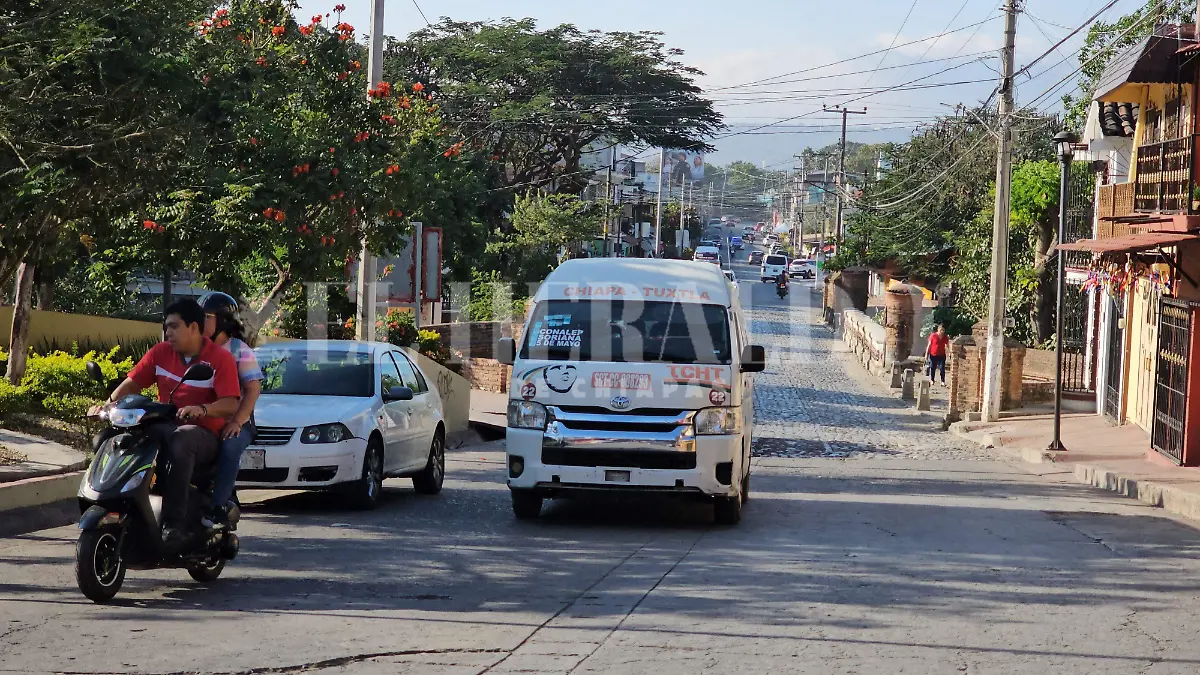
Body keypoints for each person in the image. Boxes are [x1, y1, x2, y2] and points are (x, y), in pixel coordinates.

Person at [90, 299, 240, 546]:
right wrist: (108, 406)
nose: (167, 332)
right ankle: (112, 504)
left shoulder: (219, 359)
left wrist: (202, 409)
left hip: (203, 434)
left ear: (194, 327)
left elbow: (230, 403)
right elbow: (133, 384)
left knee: (181, 440)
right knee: (108, 438)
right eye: (166, 326)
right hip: (165, 424)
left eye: (174, 326)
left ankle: (173, 524)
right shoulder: (160, 353)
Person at [198, 292, 264, 530]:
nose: (198, 321)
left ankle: (218, 507)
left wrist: (237, 421)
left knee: (229, 445)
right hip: (202, 417)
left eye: (206, 317)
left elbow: (253, 389)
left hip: (236, 421)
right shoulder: (195, 348)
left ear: (223, 320)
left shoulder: (239, 350)